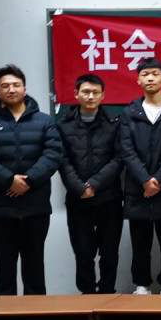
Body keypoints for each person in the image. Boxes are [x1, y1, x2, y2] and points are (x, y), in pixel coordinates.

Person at [0, 64, 63, 295]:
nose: (11, 89)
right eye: (5, 86)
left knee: (34, 268)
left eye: (16, 85)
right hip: (0, 208)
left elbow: (53, 155)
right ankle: (5, 317)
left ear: (24, 88)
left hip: (35, 206)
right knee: (4, 269)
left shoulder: (45, 121)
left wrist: (28, 181)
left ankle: (36, 316)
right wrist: (9, 180)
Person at [119, 57, 161, 296]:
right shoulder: (129, 112)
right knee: (140, 241)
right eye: (145, 75)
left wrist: (159, 179)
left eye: (155, 74)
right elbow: (126, 149)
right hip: (138, 188)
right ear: (138, 80)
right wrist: (145, 180)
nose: (150, 78)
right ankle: (141, 284)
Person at [56, 73, 123, 295]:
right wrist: (80, 187)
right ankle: (86, 296)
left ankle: (107, 293)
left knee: (109, 252)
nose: (91, 96)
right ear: (76, 94)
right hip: (78, 200)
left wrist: (94, 184)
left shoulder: (114, 124)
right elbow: (62, 160)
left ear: (103, 95)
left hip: (109, 199)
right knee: (83, 253)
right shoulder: (63, 125)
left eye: (95, 92)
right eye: (86, 92)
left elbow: (119, 158)